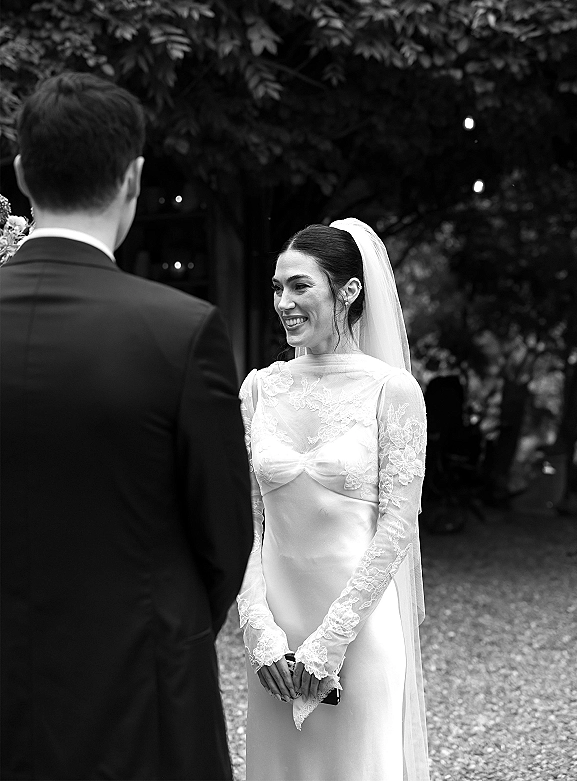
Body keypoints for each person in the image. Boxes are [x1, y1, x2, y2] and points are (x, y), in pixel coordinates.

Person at [0, 72, 253, 781]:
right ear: (133, 179)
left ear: (23, 173)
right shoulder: (180, 330)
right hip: (143, 689)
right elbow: (225, 535)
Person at [238, 220, 430, 781]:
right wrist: (259, 630)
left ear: (347, 291)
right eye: (277, 288)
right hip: (275, 641)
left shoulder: (392, 391)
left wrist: (330, 642)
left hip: (358, 633)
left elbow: (397, 525)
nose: (283, 302)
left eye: (300, 286)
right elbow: (249, 523)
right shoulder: (257, 389)